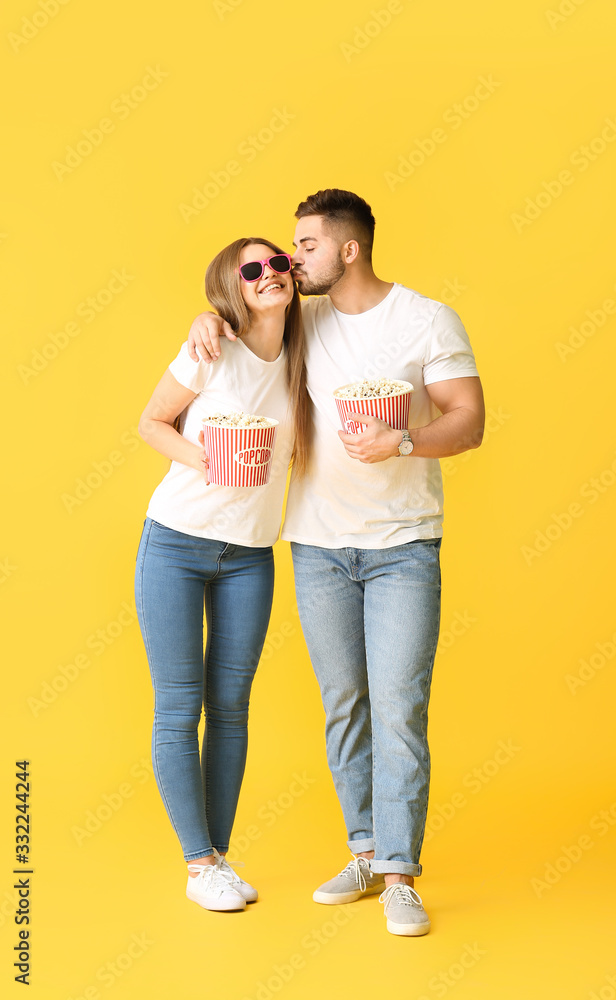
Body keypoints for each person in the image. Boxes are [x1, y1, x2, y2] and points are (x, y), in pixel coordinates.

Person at [187, 190, 485, 936]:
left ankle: (399, 876)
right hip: (317, 545)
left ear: (348, 249)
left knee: (399, 708)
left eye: (306, 246)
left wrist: (406, 441)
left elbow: (468, 420)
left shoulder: (425, 318)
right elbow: (235, 327)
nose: (292, 260)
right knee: (344, 705)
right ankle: (363, 848)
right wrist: (205, 317)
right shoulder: (301, 321)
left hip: (403, 545)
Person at [135, 237, 310, 912]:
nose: (270, 273)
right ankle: (198, 862)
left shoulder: (306, 354)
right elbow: (151, 422)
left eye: (280, 263)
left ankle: (219, 858)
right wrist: (204, 461)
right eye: (253, 268)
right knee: (179, 706)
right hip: (174, 543)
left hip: (249, 555)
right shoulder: (210, 348)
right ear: (231, 286)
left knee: (230, 708)